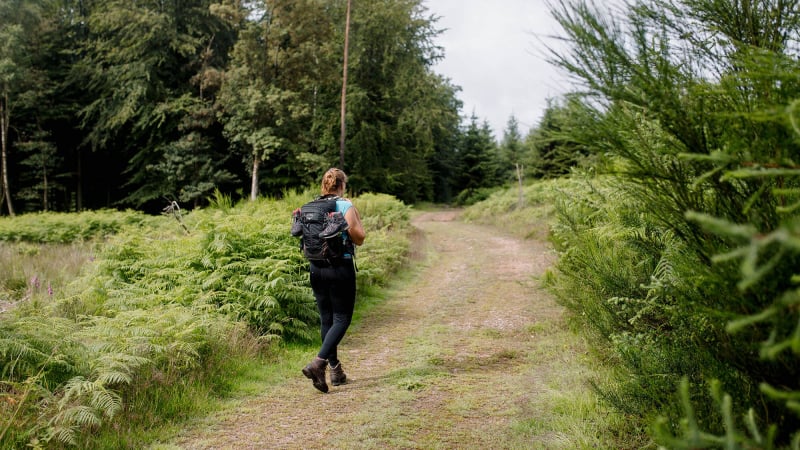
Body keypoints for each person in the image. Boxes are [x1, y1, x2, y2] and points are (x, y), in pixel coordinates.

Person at [300, 168, 365, 393]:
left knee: (326, 319)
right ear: (342, 185)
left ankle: (335, 370)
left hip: (316, 267)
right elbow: (360, 237)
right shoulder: (345, 205)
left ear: (324, 185)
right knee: (342, 318)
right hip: (339, 268)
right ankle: (319, 363)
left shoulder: (311, 206)